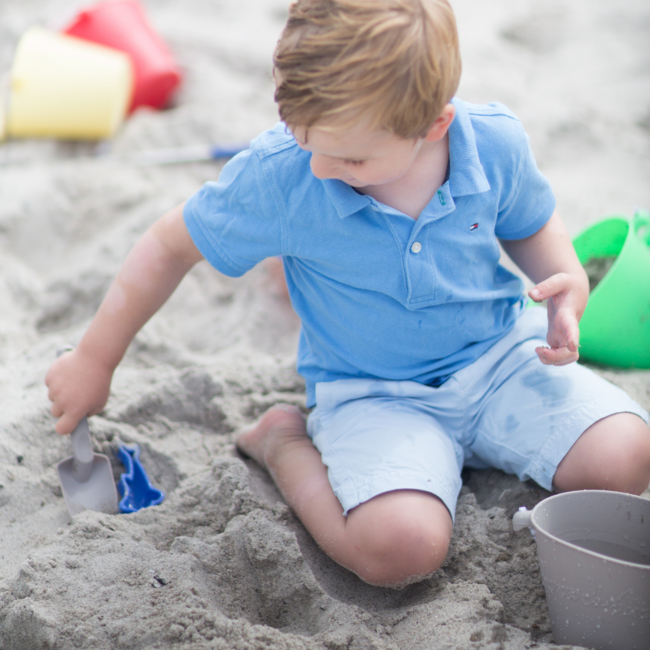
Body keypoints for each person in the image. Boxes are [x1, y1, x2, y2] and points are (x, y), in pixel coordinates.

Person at [46, 0, 650, 588]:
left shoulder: (491, 143)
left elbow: (530, 224)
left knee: (625, 456)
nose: (320, 168)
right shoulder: (285, 174)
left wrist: (565, 280)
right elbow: (170, 245)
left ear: (435, 123)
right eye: (302, 137)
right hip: (373, 393)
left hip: (500, 358)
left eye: (350, 156)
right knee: (400, 550)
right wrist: (95, 360)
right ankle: (282, 444)